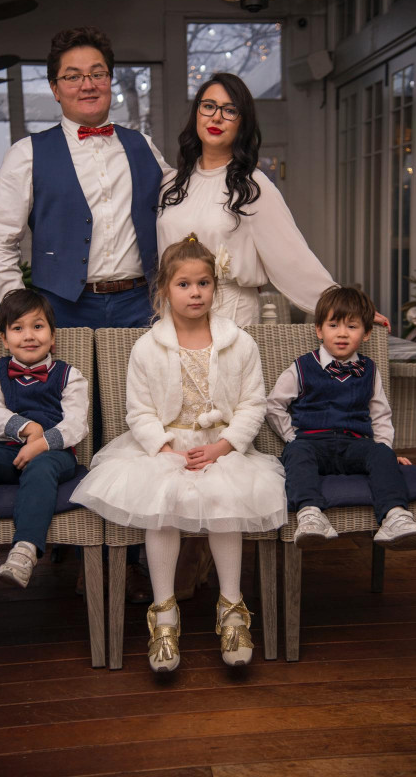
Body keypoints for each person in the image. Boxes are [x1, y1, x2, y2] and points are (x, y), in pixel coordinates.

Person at [0, 26, 171, 601]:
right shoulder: (28, 152)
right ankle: (66, 533)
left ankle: (136, 553)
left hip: (139, 303)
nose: (87, 84)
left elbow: (179, 216)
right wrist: (22, 311)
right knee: (66, 422)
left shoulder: (143, 146)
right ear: (55, 87)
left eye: (97, 73)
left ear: (110, 81)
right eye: (73, 75)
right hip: (62, 305)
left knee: (137, 425)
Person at [70, 235, 287, 672]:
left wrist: (223, 446)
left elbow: (252, 404)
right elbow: (139, 411)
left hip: (221, 447)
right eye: (184, 284)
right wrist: (166, 449)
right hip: (166, 448)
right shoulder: (147, 347)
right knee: (163, 502)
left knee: (226, 496)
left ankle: (232, 610)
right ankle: (165, 616)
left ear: (215, 287)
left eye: (203, 283)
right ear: (164, 290)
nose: (195, 293)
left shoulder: (239, 342)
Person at [157, 72, 390, 330]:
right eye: (209, 106)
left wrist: (346, 308)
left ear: (242, 123)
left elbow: (293, 258)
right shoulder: (171, 184)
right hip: (175, 315)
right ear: (197, 114)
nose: (217, 117)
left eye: (230, 111)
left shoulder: (252, 187)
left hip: (229, 315)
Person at [266, 285, 416, 550]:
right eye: (333, 325)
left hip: (355, 445)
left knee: (382, 454)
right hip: (312, 444)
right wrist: (292, 437)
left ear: (366, 333)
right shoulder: (302, 367)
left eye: (352, 327)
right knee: (296, 453)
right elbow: (274, 405)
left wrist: (384, 450)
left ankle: (395, 517)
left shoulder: (369, 370)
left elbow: (380, 415)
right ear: (319, 330)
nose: (342, 333)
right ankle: (310, 515)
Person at [0, 289, 89, 588]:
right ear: (4, 338)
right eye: (17, 328)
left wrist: (41, 442)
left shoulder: (69, 375)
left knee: (41, 467)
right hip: (8, 452)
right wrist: (26, 428)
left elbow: (76, 424)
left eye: (38, 326)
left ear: (52, 336)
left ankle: (25, 550)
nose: (29, 336)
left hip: (55, 456)